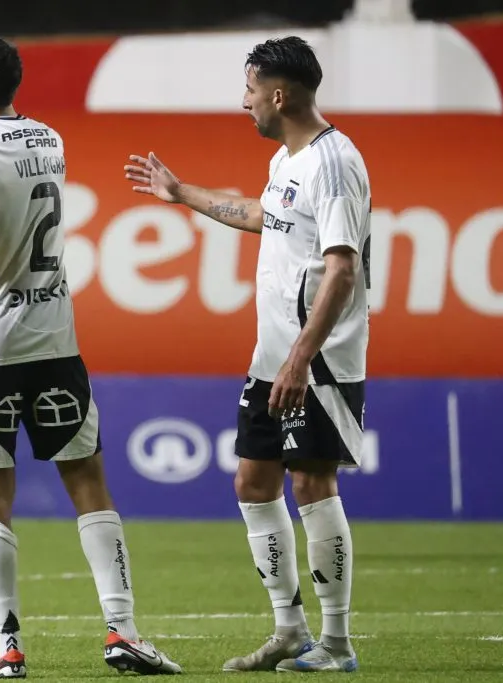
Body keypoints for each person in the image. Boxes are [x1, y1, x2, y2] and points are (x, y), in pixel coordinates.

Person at [0, 35, 182, 679]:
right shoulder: (49, 140)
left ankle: (7, 648)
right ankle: (123, 632)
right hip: (54, 341)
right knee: (89, 484)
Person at [124, 36, 370, 673]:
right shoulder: (288, 163)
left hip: (315, 363)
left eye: (251, 90)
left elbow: (342, 270)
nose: (245, 102)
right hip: (273, 358)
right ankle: (289, 630)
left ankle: (337, 643)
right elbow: (262, 217)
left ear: (279, 95)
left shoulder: (334, 162)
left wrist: (299, 359)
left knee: (313, 485)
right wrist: (183, 195)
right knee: (253, 481)